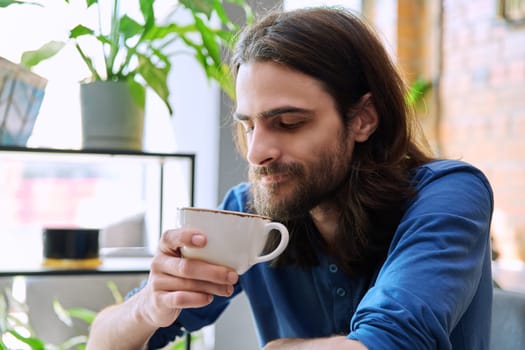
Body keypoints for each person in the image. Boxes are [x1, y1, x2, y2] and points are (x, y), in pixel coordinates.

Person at [87, 6, 494, 350]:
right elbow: (102, 341)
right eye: (249, 126)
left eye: (287, 122)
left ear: (363, 119)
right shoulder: (249, 211)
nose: (255, 152)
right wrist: (148, 307)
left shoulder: (449, 193)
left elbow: (389, 342)